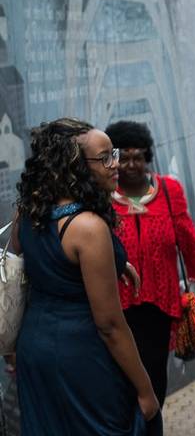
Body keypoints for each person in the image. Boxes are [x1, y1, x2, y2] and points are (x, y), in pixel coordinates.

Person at [13, 118, 158, 435]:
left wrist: (115, 265)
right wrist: (145, 388)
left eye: (114, 153)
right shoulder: (87, 227)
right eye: (105, 158)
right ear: (75, 166)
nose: (115, 164)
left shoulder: (29, 210)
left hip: (34, 348)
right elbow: (109, 325)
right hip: (80, 355)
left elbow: (26, 265)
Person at [105, 121, 195, 436]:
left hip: (159, 309)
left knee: (154, 381)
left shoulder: (169, 192)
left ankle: (150, 429)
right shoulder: (102, 199)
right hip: (118, 310)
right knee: (123, 384)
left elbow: (190, 243)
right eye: (123, 157)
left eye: (137, 157)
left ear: (148, 156)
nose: (130, 165)